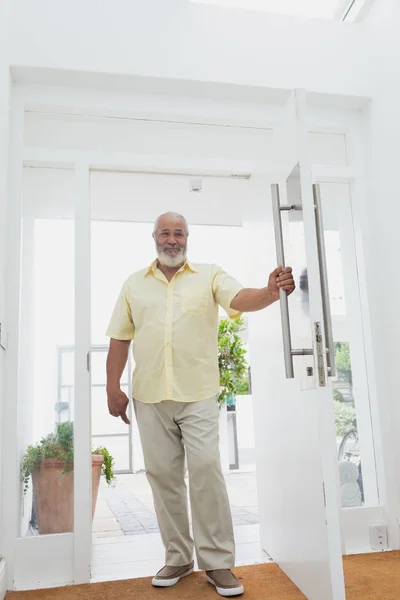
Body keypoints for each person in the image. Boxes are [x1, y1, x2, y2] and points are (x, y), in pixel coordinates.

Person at [106, 212, 295, 597]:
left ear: (187, 238)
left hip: (198, 394)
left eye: (178, 233)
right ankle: (178, 555)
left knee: (207, 469)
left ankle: (218, 562)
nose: (172, 239)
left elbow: (240, 298)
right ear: (154, 237)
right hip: (149, 395)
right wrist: (112, 387)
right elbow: (119, 338)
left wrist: (271, 291)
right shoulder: (133, 284)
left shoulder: (210, 275)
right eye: (165, 233)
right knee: (163, 476)